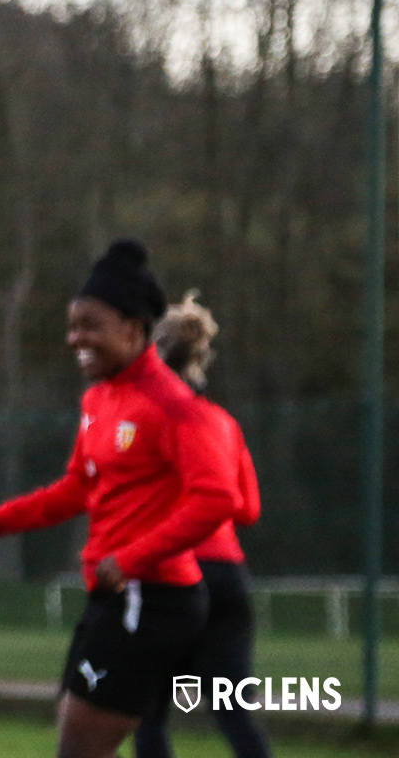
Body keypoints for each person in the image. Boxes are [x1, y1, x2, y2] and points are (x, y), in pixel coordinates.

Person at [0, 240, 237, 758]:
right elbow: (77, 488)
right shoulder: (99, 399)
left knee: (79, 747)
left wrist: (132, 557)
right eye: (72, 325)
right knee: (85, 736)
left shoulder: (174, 406)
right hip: (114, 597)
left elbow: (218, 497)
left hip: (151, 598)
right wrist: (0, 519)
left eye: (90, 325)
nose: (75, 339)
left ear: (134, 329)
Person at [134, 293, 269, 758]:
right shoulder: (222, 424)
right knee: (233, 712)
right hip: (228, 575)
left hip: (171, 576)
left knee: (148, 712)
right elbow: (247, 509)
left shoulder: (142, 419)